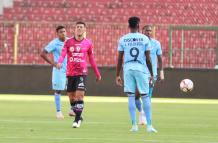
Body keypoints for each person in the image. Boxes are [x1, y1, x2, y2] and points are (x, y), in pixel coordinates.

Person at [116, 16, 157, 133]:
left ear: (128, 26)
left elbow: (119, 59)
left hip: (128, 68)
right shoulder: (144, 39)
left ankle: (134, 125)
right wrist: (152, 74)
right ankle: (149, 126)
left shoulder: (123, 39)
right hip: (141, 68)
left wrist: (117, 75)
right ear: (139, 26)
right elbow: (148, 58)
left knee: (131, 96)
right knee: (145, 97)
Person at [56, 21, 101, 128]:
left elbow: (92, 59)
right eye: (77, 27)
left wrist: (97, 73)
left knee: (80, 96)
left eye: (81, 27)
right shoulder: (68, 42)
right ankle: (79, 116)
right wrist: (60, 62)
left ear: (85, 30)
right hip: (70, 73)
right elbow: (63, 53)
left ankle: (76, 121)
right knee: (72, 99)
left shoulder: (88, 43)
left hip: (82, 73)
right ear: (74, 29)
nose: (79, 29)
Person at [135, 25, 164, 125]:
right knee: (135, 96)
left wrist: (161, 72)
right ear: (142, 31)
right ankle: (141, 112)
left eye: (150, 31)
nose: (149, 32)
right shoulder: (138, 43)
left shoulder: (156, 43)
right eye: (147, 31)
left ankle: (146, 117)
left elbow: (160, 59)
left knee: (147, 97)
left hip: (151, 74)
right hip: (139, 73)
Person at [40, 25, 68, 119]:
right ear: (57, 34)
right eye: (61, 32)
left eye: (64, 31)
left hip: (70, 69)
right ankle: (58, 112)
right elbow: (43, 53)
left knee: (73, 89)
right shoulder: (54, 43)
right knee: (58, 90)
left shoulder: (70, 41)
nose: (63, 33)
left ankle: (73, 109)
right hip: (59, 70)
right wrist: (53, 63)